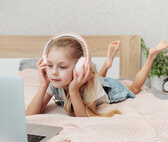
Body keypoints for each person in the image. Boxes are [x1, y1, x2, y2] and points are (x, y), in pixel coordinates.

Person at [26, 37, 168, 117]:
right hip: (95, 81)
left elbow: (83, 118)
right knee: (97, 79)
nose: (54, 72)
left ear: (79, 66)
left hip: (108, 89)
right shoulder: (54, 81)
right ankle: (107, 63)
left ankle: (151, 55)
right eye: (50, 65)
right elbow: (30, 114)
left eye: (62, 67)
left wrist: (74, 90)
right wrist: (43, 85)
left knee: (135, 88)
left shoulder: (91, 84)